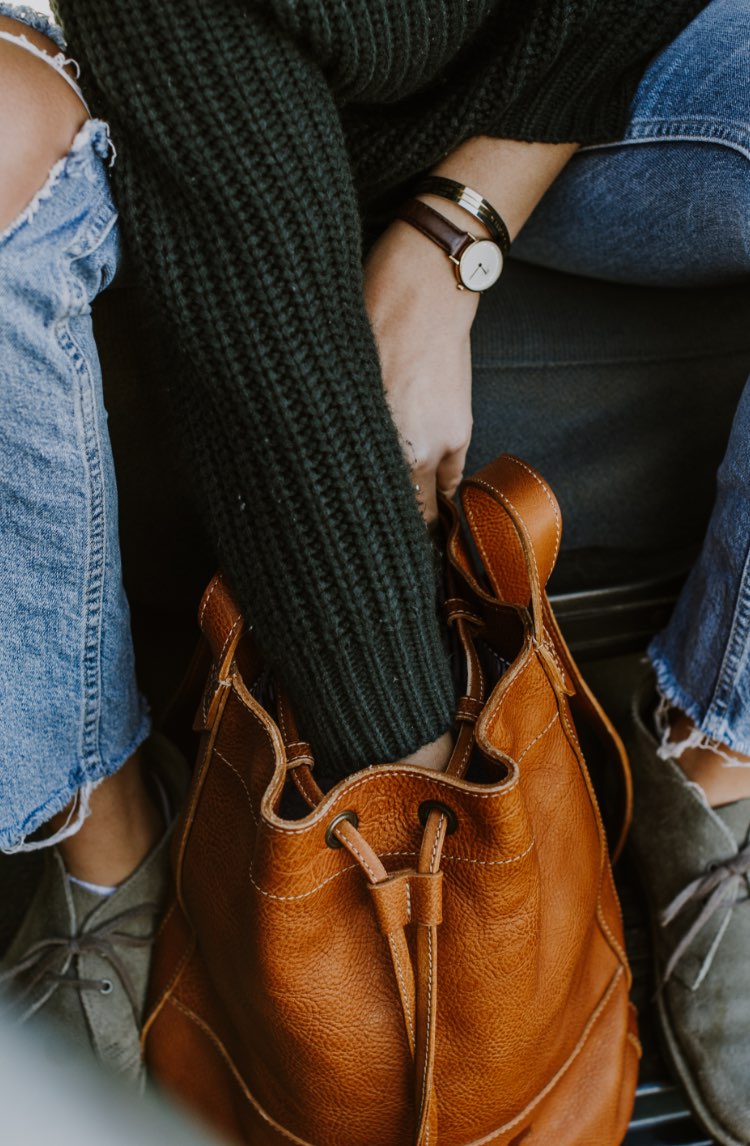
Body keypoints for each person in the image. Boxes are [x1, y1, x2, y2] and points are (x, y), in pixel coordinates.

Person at [0, 0, 747, 1142]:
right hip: (211, 70)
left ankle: (716, 755)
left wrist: (459, 234)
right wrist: (413, 799)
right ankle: (104, 843)